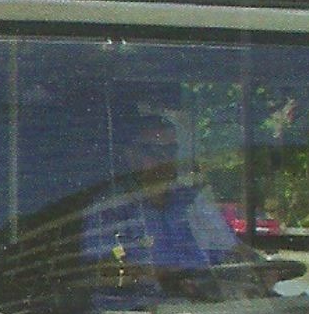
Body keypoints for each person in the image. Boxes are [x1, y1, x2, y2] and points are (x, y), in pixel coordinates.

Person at [81, 114, 251, 300]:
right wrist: (164, 276)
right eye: (154, 151)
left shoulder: (193, 200)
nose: (165, 159)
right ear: (131, 154)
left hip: (206, 308)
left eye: (171, 151)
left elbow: (231, 251)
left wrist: (260, 269)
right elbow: (104, 268)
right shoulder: (110, 207)